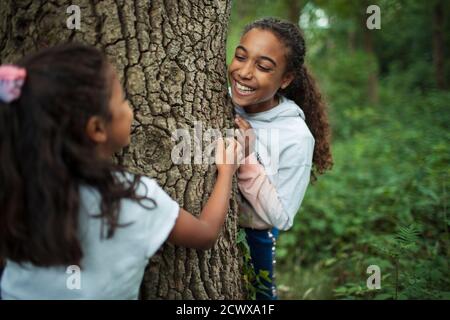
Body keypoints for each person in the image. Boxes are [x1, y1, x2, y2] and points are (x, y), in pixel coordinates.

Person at [0, 43, 241, 299]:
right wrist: (226, 172)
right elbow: (205, 233)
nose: (130, 107)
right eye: (123, 99)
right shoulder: (130, 199)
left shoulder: (14, 186)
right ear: (97, 129)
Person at [229, 17, 333, 299]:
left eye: (263, 67)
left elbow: (283, 218)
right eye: (240, 57)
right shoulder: (221, 100)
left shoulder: (296, 137)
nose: (245, 72)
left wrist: (247, 160)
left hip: (255, 239)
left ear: (285, 79)